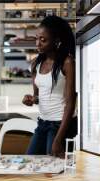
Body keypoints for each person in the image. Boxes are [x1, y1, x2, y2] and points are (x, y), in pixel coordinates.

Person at [22, 16, 77, 158]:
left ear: (56, 41)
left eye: (43, 40)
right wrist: (31, 99)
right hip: (43, 123)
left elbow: (70, 103)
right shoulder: (35, 64)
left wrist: (59, 139)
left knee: (52, 170)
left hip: (61, 125)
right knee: (31, 160)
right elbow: (38, 97)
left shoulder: (67, 62)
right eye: (36, 38)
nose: (37, 44)